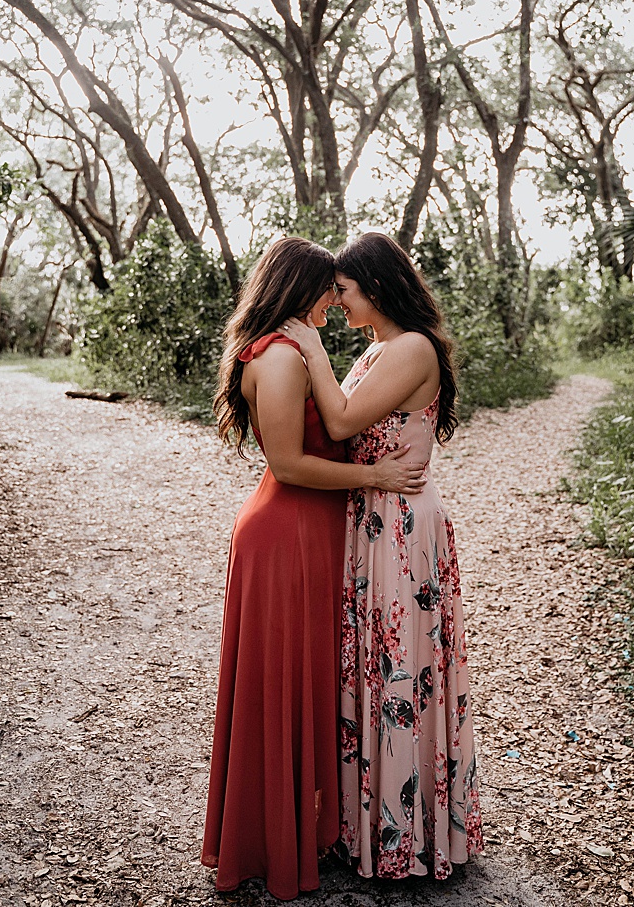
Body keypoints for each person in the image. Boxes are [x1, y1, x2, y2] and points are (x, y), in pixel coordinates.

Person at [203, 237, 428, 901]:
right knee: (285, 687)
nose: (336, 298)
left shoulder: (295, 351)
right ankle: (275, 842)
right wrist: (377, 472)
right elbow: (290, 463)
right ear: (300, 289)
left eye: (342, 289)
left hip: (313, 531)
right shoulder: (277, 356)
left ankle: (307, 826)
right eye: (328, 288)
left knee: (306, 685)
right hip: (290, 534)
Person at [278, 231, 483, 881]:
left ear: (376, 286)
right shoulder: (377, 349)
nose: (336, 304)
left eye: (344, 291)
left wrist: (306, 344)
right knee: (371, 666)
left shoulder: (412, 348)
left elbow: (340, 423)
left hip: (398, 520)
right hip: (373, 514)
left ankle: (405, 835)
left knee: (399, 671)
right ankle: (367, 827)